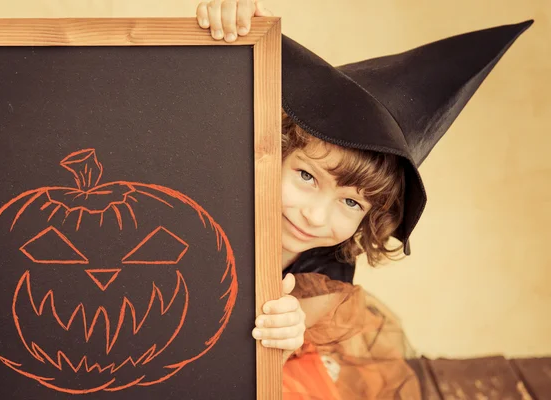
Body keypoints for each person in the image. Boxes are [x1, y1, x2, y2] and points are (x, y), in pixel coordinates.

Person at [196, 2, 533, 398]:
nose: (314, 215)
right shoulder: (209, 201)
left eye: (351, 203)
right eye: (307, 176)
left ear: (372, 217)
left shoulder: (327, 272)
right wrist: (227, 29)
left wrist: (283, 341)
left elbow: (250, 376)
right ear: (274, 152)